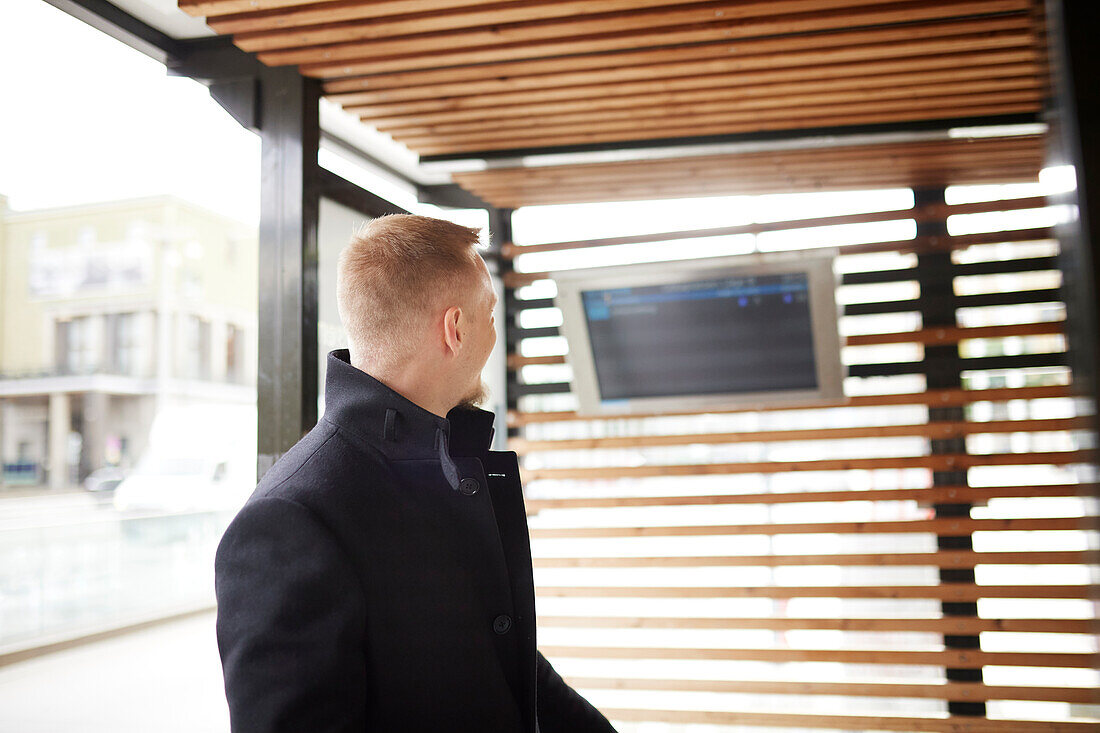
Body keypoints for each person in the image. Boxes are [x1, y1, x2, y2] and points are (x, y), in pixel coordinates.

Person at [214, 214, 617, 733]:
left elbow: (508, 666)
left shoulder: (448, 469)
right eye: (489, 315)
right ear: (454, 328)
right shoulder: (288, 521)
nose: (493, 334)